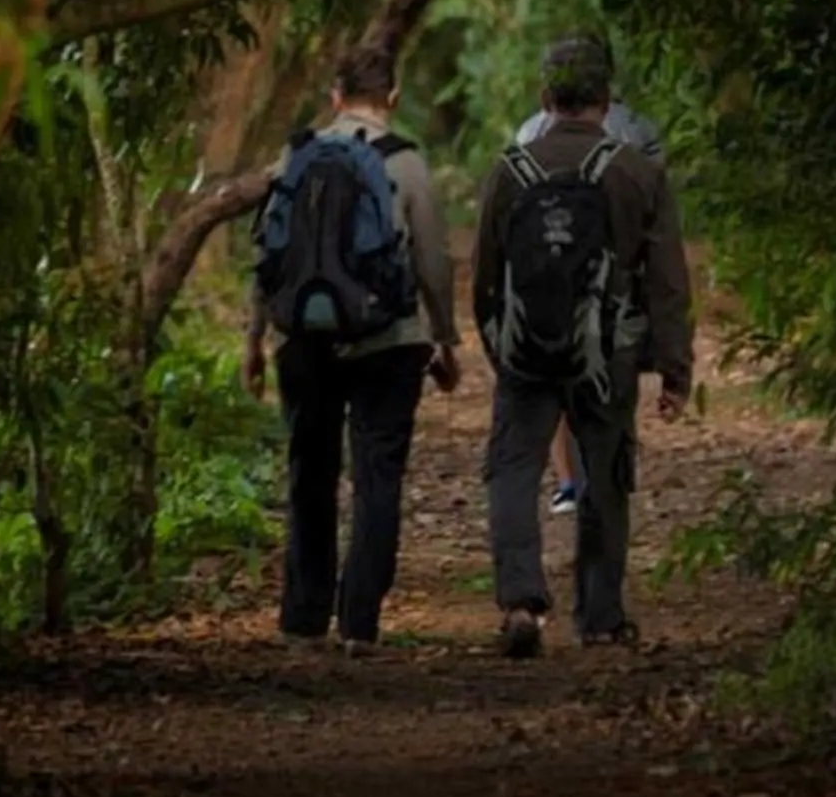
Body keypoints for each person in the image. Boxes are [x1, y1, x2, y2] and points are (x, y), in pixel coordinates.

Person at [474, 37, 693, 658]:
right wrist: (673, 368)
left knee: (514, 469)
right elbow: (668, 281)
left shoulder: (509, 171)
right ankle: (600, 616)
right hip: (608, 352)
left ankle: (520, 601)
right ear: (607, 97)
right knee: (605, 474)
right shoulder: (638, 173)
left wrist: (500, 351)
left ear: (546, 97)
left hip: (526, 351)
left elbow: (486, 277)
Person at [244, 44, 461, 653]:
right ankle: (359, 623)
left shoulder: (296, 155)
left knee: (309, 472)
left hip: (303, 339)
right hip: (389, 341)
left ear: (335, 98)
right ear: (392, 97)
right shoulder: (407, 162)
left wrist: (255, 339)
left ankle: (303, 619)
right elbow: (433, 261)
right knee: (377, 475)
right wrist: (445, 340)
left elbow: (267, 255)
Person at [508, 45, 665, 518]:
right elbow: (655, 215)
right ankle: (608, 481)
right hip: (616, 284)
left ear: (548, 87)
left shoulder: (529, 132)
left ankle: (568, 482)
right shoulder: (638, 131)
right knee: (614, 388)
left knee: (555, 376)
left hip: (547, 281)